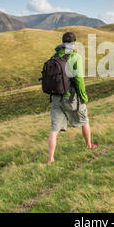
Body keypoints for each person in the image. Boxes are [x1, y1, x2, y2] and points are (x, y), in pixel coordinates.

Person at [48, 32, 97, 163]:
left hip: (55, 97)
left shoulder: (54, 56)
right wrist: (84, 97)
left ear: (62, 42)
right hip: (70, 97)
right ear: (74, 43)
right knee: (84, 121)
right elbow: (79, 79)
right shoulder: (75, 57)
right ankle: (88, 145)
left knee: (54, 129)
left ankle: (51, 159)